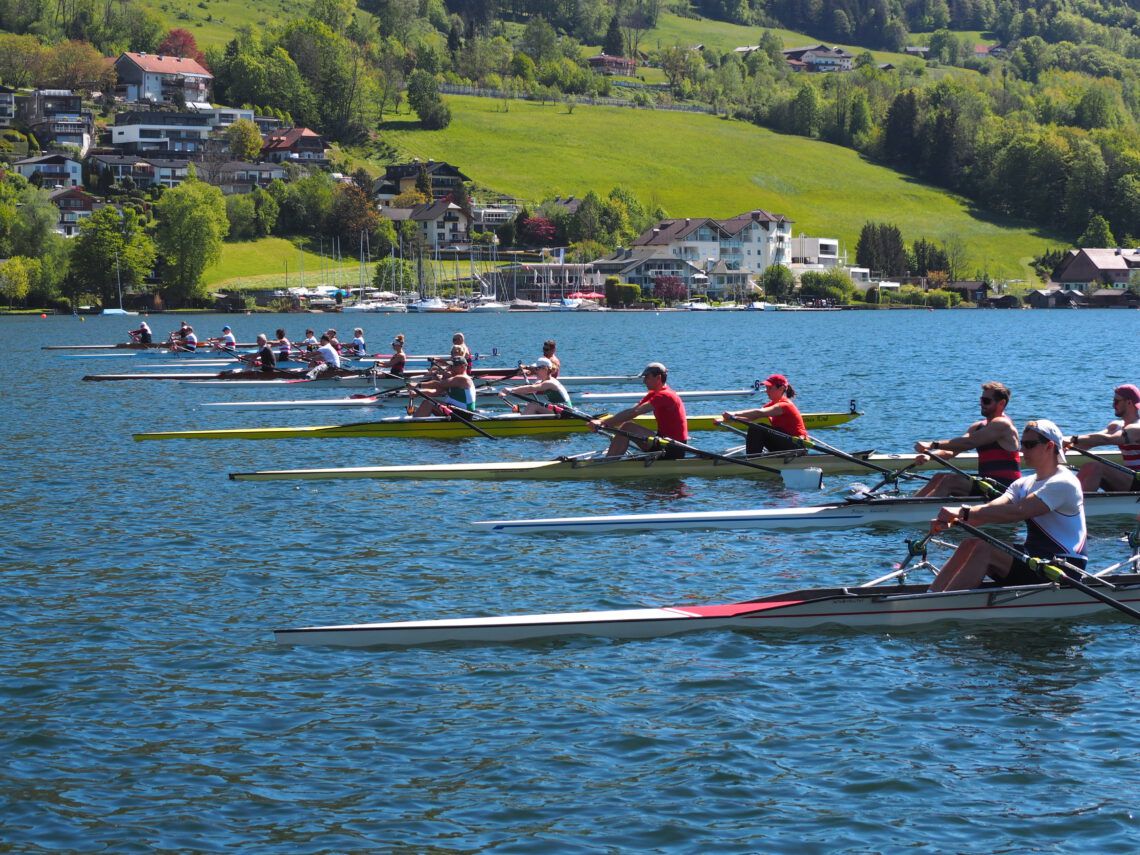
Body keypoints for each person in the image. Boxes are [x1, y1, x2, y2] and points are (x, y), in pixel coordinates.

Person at [928, 419, 1086, 591]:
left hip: (1064, 567)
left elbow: (1017, 512)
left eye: (1029, 444)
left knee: (984, 549)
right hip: (1036, 559)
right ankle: (930, 597)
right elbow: (993, 509)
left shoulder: (1064, 482)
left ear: (1049, 446)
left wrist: (964, 512)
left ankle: (945, 605)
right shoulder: (1023, 483)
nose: (1021, 450)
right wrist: (952, 521)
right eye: (1022, 444)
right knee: (970, 543)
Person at [913, 381, 1021, 497]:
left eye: (986, 401)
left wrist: (932, 444)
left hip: (1006, 487)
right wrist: (929, 455)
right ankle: (908, 506)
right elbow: (952, 450)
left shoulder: (1002, 424)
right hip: (987, 482)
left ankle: (920, 511)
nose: (982, 404)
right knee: (939, 477)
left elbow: (969, 443)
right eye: (981, 400)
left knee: (950, 481)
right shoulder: (978, 426)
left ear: (1001, 403)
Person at [590, 362, 688, 459]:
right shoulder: (653, 394)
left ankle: (608, 463)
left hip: (674, 448)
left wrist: (602, 422)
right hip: (663, 441)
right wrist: (605, 424)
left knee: (627, 427)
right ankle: (610, 459)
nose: (644, 381)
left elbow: (634, 413)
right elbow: (632, 410)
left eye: (647, 377)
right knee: (627, 425)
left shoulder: (666, 395)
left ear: (658, 378)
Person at [1066, 384, 1140, 492]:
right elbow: (1091, 442)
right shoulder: (1116, 426)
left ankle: (1077, 503)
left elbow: (1107, 439)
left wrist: (1072, 439)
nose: (1113, 405)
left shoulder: (1137, 428)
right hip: (1129, 477)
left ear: (1129, 402)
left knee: (1097, 467)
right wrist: (1061, 446)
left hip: (1137, 480)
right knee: (1078, 469)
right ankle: (1067, 498)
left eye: (1116, 401)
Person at [722, 373, 806, 454]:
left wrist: (734, 413)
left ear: (781, 389)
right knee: (756, 427)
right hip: (785, 442)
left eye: (769, 388)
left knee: (757, 428)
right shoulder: (771, 405)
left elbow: (759, 413)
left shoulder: (785, 405)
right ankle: (753, 458)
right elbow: (751, 417)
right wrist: (728, 419)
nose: (766, 391)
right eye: (766, 388)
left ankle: (752, 460)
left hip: (797, 445)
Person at [412, 355, 477, 417]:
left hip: (464, 413)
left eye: (453, 366)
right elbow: (434, 392)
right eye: (450, 365)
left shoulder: (462, 378)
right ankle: (418, 421)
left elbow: (439, 384)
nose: (450, 367)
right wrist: (417, 393)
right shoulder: (453, 379)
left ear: (463, 366)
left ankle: (414, 425)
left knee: (428, 403)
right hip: (453, 411)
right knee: (427, 402)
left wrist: (418, 384)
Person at [503, 357, 571, 414]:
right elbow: (527, 391)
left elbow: (531, 388)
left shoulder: (550, 383)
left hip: (566, 411)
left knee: (533, 405)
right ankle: (524, 418)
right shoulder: (542, 382)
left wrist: (510, 390)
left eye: (537, 369)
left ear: (545, 369)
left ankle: (521, 424)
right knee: (529, 404)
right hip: (557, 408)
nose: (535, 371)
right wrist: (511, 392)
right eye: (535, 369)